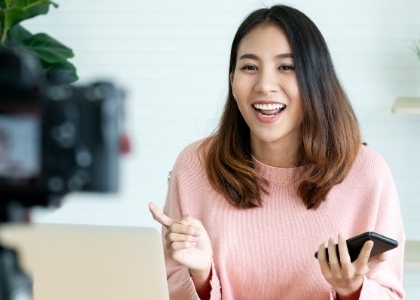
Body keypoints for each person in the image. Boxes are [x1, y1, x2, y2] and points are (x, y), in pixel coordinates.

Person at [148, 4, 405, 300]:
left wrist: (352, 291)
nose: (265, 85)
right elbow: (167, 292)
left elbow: (391, 294)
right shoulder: (194, 167)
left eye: (287, 67)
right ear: (232, 81)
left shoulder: (367, 173)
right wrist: (202, 276)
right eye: (249, 67)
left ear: (316, 79)